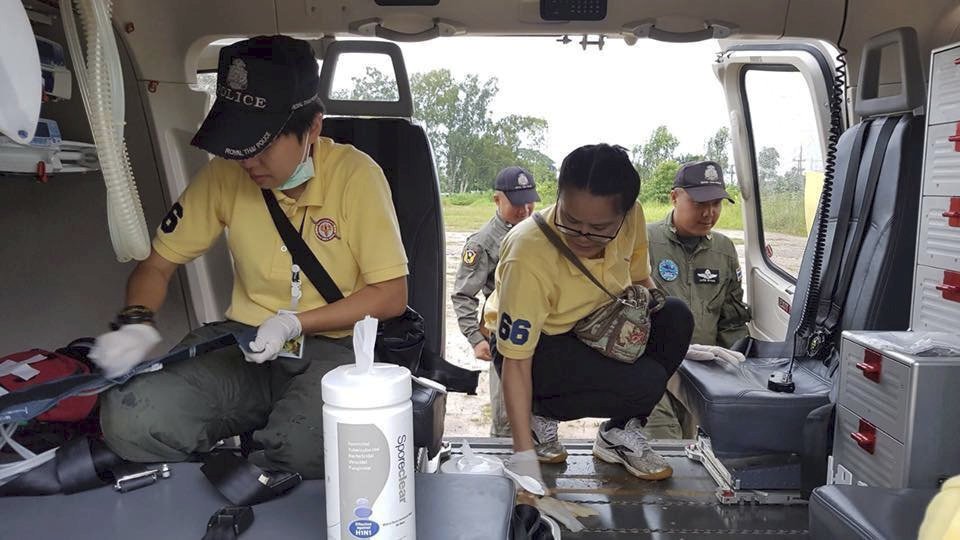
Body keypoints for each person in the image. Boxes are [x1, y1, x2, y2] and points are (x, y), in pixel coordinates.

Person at [89, 35, 409, 479]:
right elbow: (157, 265)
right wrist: (137, 320)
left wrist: (295, 323)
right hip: (247, 340)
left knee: (307, 452)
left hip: (337, 348)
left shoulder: (357, 176)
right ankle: (218, 490)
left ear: (312, 127)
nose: (248, 162)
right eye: (238, 145)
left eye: (262, 145)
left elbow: (390, 296)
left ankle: (263, 478)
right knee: (131, 415)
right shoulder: (224, 175)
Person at [485, 144, 693, 486]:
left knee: (675, 316)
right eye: (571, 220)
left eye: (599, 227)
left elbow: (641, 279)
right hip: (538, 348)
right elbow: (515, 362)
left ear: (625, 213)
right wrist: (523, 458)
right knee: (644, 383)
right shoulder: (527, 254)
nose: (582, 236)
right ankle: (538, 422)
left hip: (596, 323)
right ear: (559, 198)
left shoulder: (633, 217)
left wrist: (649, 323)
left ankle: (618, 432)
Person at [643, 160, 751, 439]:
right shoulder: (644, 241)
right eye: (700, 203)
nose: (709, 213)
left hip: (702, 376)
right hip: (653, 371)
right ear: (675, 197)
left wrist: (741, 376)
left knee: (694, 449)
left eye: (716, 203)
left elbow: (731, 321)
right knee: (663, 444)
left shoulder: (724, 251)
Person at [451, 166, 539, 438]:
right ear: (497, 200)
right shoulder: (483, 242)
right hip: (506, 340)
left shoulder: (540, 233)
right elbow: (464, 294)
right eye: (517, 203)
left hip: (540, 337)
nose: (525, 209)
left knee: (541, 416)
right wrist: (476, 339)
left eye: (529, 201)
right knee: (508, 421)